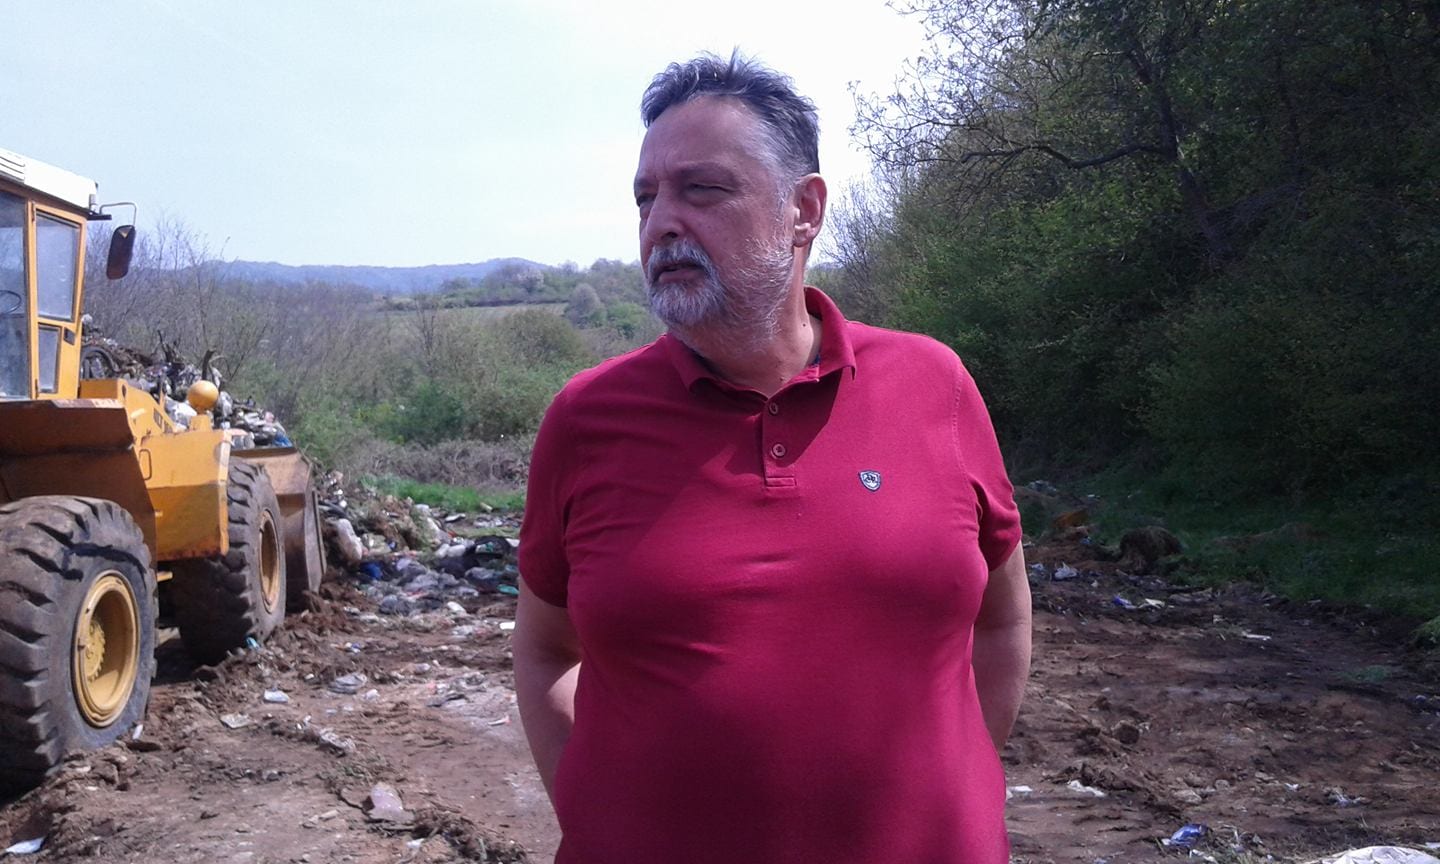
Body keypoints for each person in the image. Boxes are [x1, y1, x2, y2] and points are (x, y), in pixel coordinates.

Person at [514, 52, 1031, 864]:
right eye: (646, 197)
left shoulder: (936, 384)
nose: (662, 222)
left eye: (701, 190)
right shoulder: (586, 419)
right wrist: (589, 803)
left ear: (804, 210)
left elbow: (1001, 619)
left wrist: (949, 788)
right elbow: (546, 646)